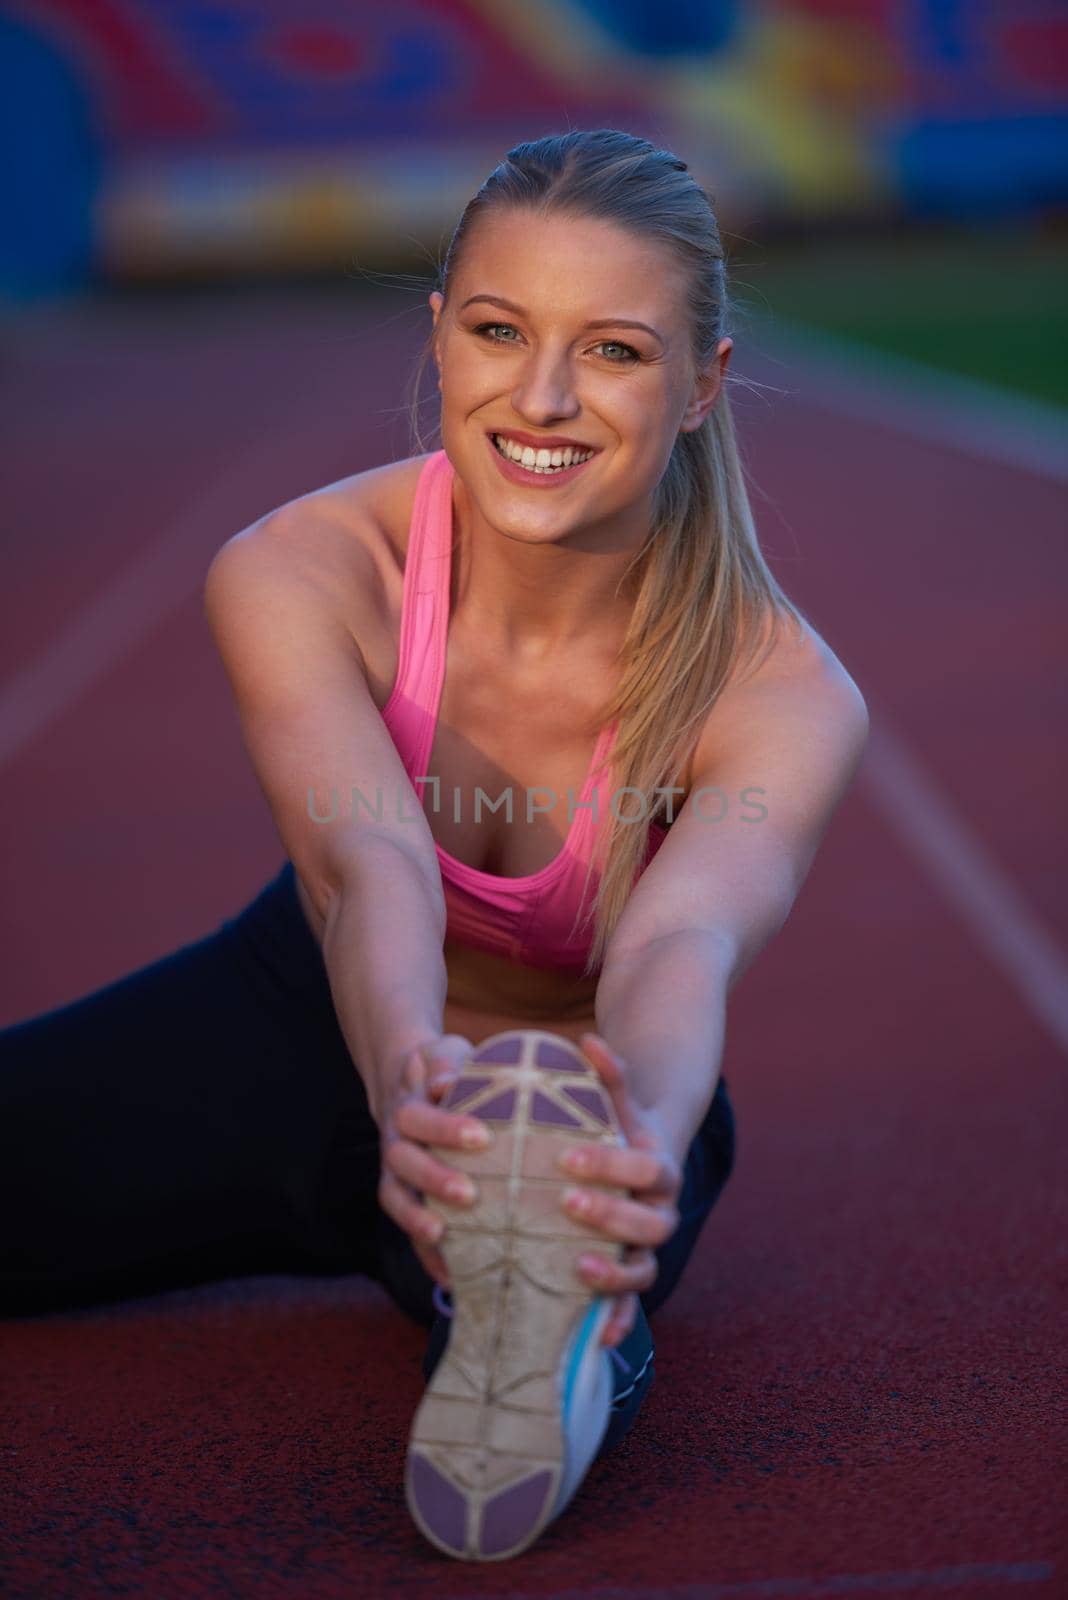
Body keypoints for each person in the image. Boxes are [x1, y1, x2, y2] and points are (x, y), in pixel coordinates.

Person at [0, 129, 869, 1560]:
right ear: (439, 335)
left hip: (580, 1099)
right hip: (299, 1032)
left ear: (702, 385)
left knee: (563, 1231)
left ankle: (557, 1312)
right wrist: (408, 1079)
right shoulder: (305, 570)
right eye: (498, 331)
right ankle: (500, 1264)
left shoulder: (779, 692)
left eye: (614, 353)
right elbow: (363, 869)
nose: (541, 396)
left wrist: (641, 1131)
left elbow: (679, 940)